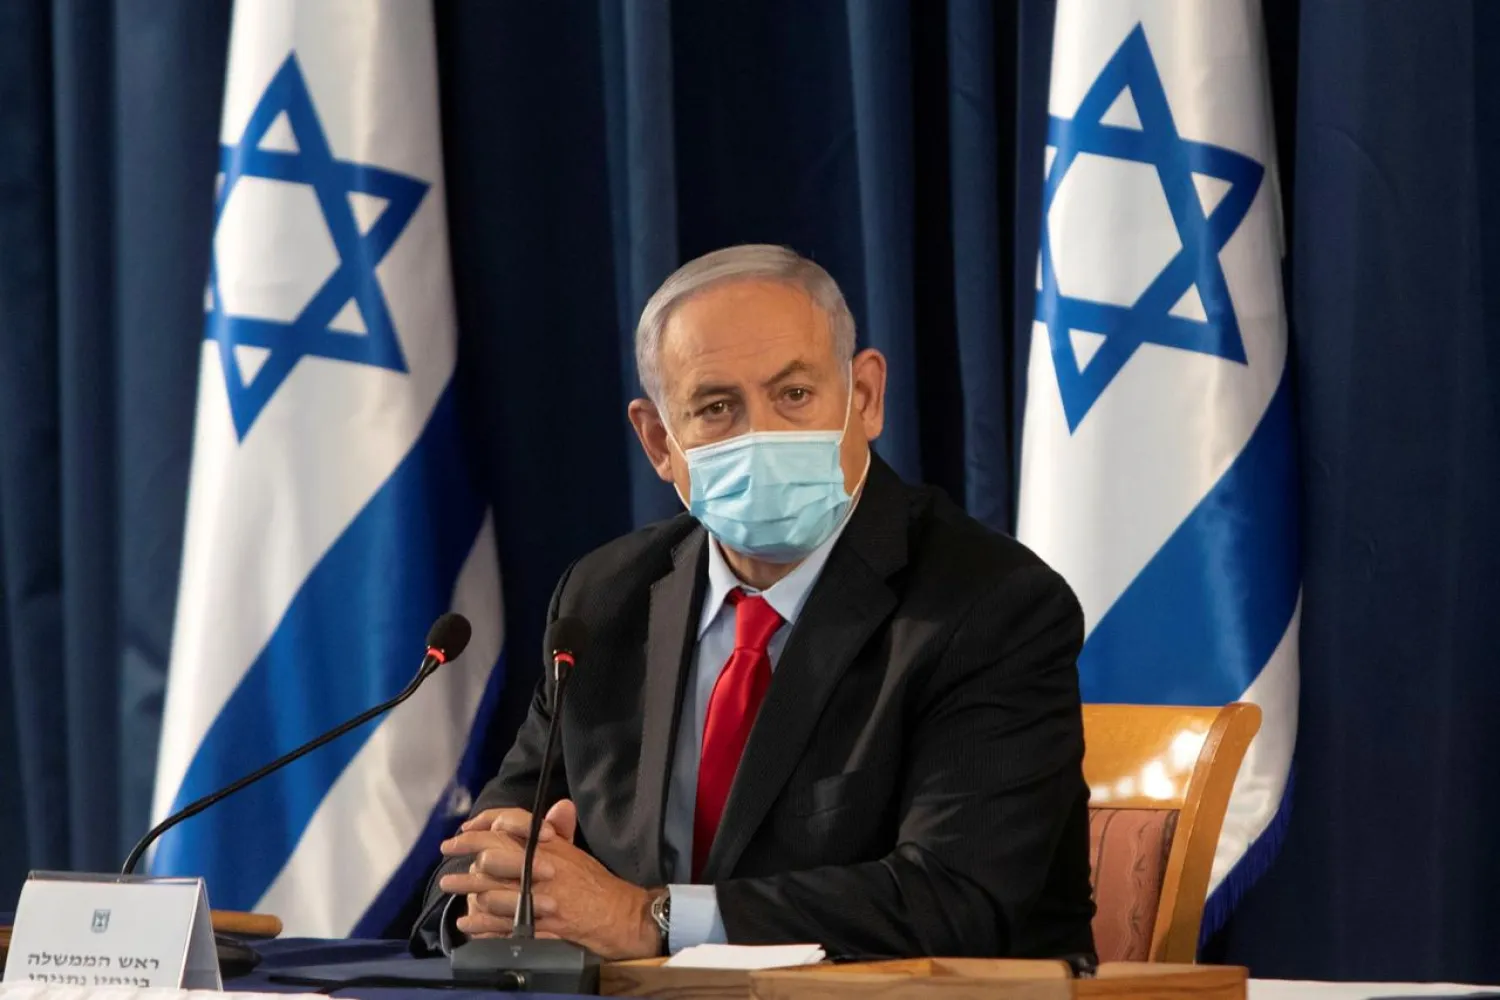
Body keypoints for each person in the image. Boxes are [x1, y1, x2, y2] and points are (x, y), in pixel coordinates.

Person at [414, 244, 1095, 961]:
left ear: (863, 398)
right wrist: (492, 896)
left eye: (794, 395)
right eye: (716, 408)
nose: (761, 434)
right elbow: (484, 851)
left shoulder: (988, 606)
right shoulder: (605, 598)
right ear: (659, 441)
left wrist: (653, 919)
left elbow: (956, 897)